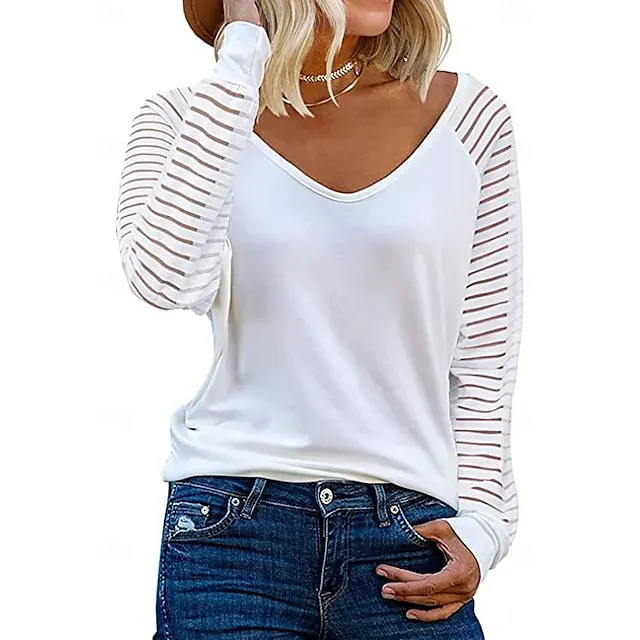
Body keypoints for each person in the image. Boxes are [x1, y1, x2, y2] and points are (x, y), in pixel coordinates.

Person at [115, 0, 524, 637]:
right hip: (233, 532)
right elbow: (165, 280)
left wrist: (485, 526)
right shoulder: (182, 117)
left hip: (410, 534)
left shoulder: (469, 118)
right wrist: (241, 59)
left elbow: (484, 357)